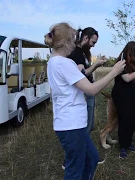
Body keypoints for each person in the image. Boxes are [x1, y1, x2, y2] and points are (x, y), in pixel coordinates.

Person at [45, 22, 126, 180]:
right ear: (65, 42)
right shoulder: (64, 63)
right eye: (73, 40)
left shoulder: (53, 61)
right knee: (74, 170)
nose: (75, 44)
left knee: (92, 158)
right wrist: (114, 72)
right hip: (71, 124)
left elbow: (80, 78)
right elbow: (91, 89)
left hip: (72, 123)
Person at [111, 41, 135, 159]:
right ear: (131, 52)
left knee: (133, 119)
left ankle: (128, 143)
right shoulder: (121, 63)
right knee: (124, 120)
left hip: (133, 96)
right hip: (123, 96)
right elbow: (127, 78)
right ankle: (123, 147)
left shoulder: (133, 63)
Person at [68, 27, 106, 134]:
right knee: (86, 114)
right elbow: (82, 73)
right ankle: (85, 136)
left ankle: (87, 133)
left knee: (90, 111)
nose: (93, 45)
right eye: (93, 42)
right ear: (85, 38)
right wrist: (96, 64)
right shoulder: (77, 52)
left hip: (88, 89)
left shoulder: (83, 52)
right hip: (84, 90)